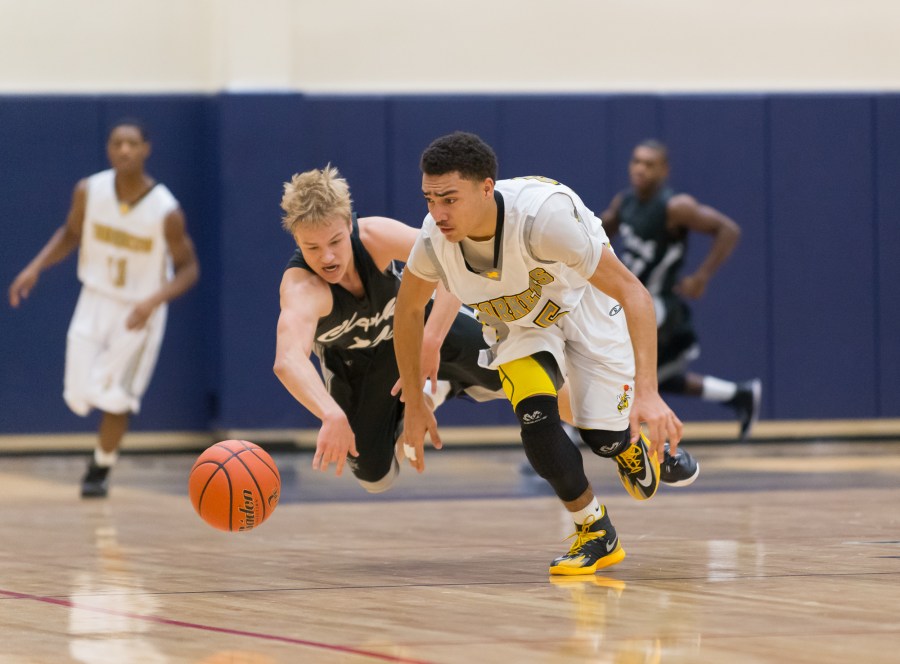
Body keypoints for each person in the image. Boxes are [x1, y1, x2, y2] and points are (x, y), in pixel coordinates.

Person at [393, 131, 696, 576]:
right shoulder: (434, 239)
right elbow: (408, 308)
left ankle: (630, 445)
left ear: (486, 187)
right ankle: (595, 531)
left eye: (449, 199)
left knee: (602, 436)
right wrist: (416, 399)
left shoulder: (541, 221)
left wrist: (649, 393)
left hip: (582, 301)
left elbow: (634, 293)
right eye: (429, 199)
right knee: (535, 423)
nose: (437, 213)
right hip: (518, 325)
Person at [274, 165, 504, 493]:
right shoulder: (303, 289)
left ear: (349, 224)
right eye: (312, 247)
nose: (326, 257)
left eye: (336, 241)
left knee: (516, 368)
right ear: (296, 239)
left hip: (416, 329)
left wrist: (432, 340)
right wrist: (330, 415)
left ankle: (439, 383)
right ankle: (428, 392)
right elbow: (288, 360)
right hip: (359, 367)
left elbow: (454, 266)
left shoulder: (374, 238)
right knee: (374, 477)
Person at [8, 119, 200, 498]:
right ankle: (99, 453)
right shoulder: (89, 191)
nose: (124, 150)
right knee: (78, 395)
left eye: (132, 143)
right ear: (109, 149)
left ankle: (100, 468)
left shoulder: (166, 210)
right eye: (117, 143)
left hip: (138, 311)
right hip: (94, 298)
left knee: (117, 397)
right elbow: (69, 235)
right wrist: (36, 266)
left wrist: (153, 300)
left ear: (146, 149)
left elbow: (189, 268)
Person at [600, 139, 762, 440]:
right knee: (660, 379)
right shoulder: (625, 204)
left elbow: (728, 230)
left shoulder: (676, 206)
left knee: (621, 370)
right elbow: (595, 231)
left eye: (649, 164)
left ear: (664, 170)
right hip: (629, 301)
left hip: (659, 305)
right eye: (636, 161)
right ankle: (740, 395)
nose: (640, 168)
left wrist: (701, 276)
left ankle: (574, 433)